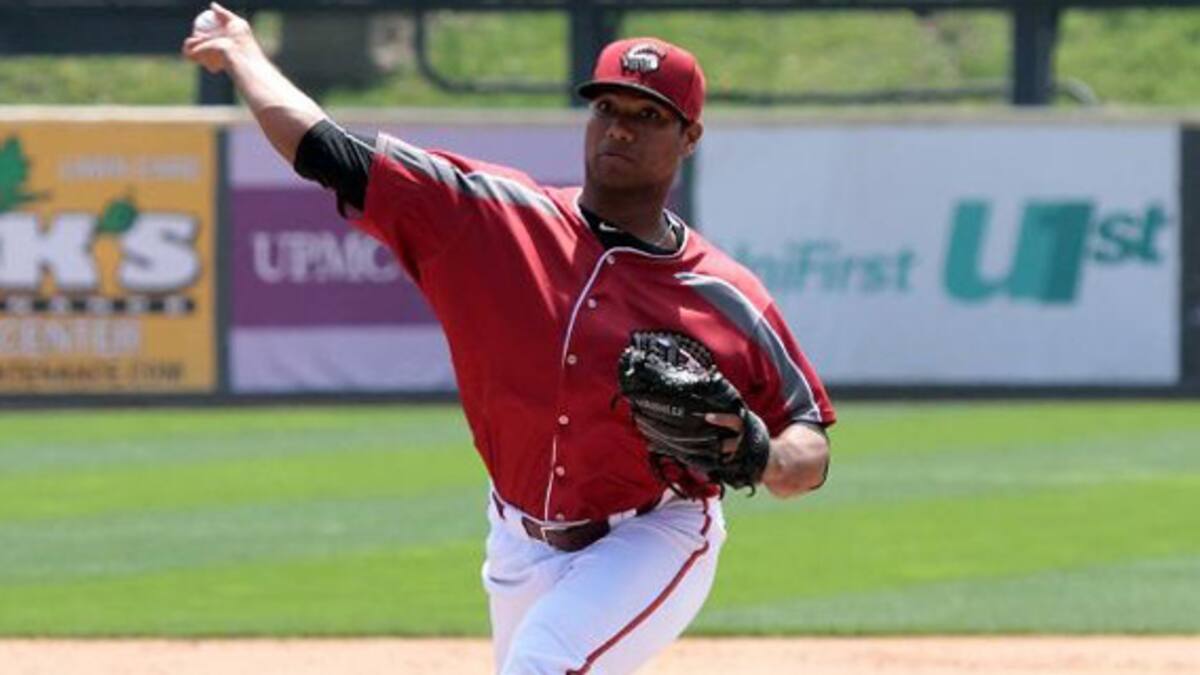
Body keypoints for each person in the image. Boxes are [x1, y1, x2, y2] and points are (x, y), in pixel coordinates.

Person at [184, 4, 835, 673]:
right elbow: (327, 149)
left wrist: (764, 455)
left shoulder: (723, 294)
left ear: (689, 136)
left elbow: (809, 445)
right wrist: (243, 54)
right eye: (607, 107)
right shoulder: (494, 217)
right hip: (517, 540)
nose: (620, 127)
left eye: (648, 115)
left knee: (544, 662)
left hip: (653, 532)